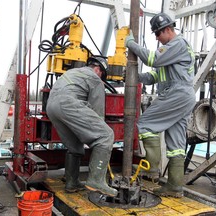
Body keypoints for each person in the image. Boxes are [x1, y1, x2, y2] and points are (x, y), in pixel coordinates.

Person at [125, 12, 196, 198]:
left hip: (177, 93)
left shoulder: (178, 44)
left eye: (157, 34)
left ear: (167, 30)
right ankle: (174, 187)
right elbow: (154, 76)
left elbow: (152, 59)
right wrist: (133, 76)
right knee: (176, 144)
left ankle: (151, 169)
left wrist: (131, 44)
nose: (157, 39)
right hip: (183, 96)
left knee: (145, 123)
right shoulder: (171, 52)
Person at [46, 56, 118, 197]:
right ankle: (96, 180)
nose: (101, 77)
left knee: (75, 146)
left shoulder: (73, 72)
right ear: (98, 69)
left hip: (52, 107)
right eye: (102, 74)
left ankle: (72, 183)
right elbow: (98, 114)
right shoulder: (95, 79)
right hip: (68, 104)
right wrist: (100, 142)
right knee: (105, 135)